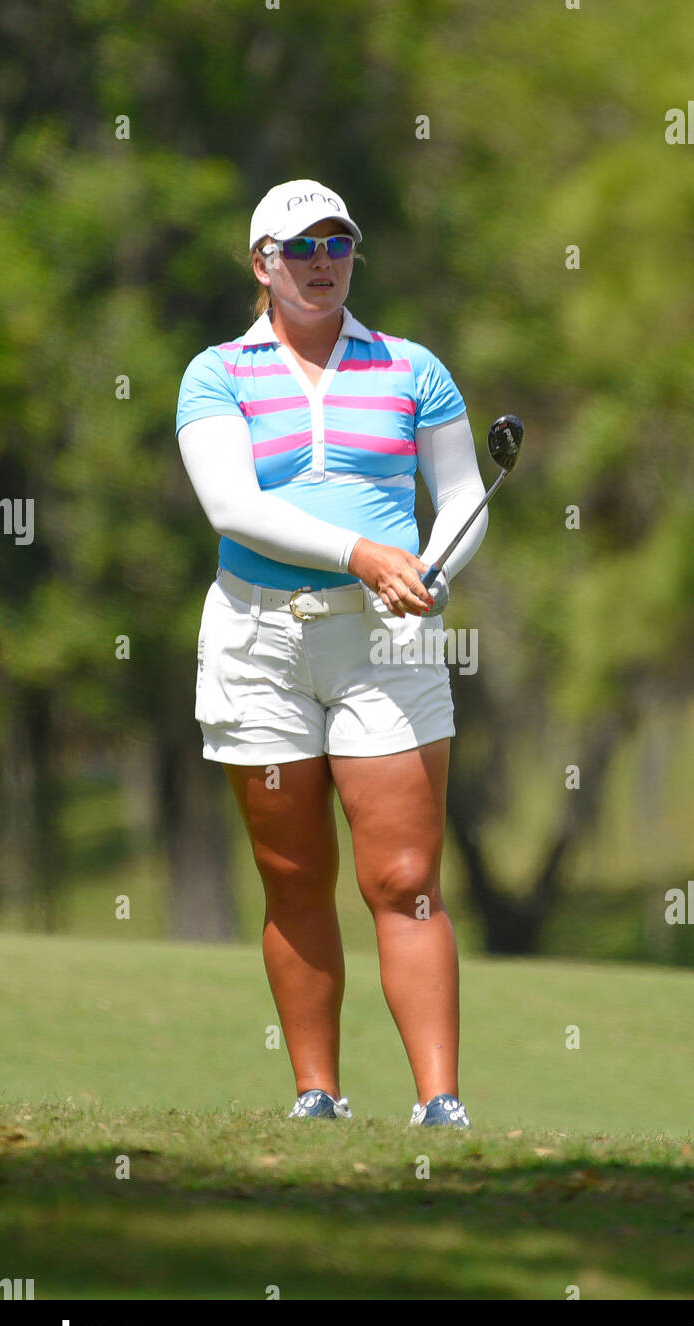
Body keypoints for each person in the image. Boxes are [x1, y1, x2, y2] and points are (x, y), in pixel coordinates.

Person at [175, 179, 488, 1127]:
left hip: (386, 640)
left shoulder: (411, 367)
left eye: (337, 243)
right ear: (261, 262)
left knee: (404, 878)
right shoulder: (217, 373)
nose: (320, 262)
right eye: (300, 246)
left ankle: (440, 1104)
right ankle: (318, 1095)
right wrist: (360, 552)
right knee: (294, 874)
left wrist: (429, 569)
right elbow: (233, 507)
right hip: (259, 636)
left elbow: (465, 496)